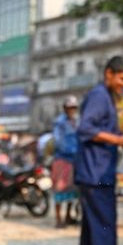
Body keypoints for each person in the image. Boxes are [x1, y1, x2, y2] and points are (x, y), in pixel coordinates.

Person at [73, 56, 123, 245]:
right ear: (108, 73)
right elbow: (86, 129)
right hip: (96, 172)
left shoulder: (106, 97)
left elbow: (101, 130)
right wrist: (120, 140)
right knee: (104, 226)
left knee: (91, 225)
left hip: (92, 171)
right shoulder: (100, 96)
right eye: (121, 78)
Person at [51, 96, 80, 228]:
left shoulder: (76, 121)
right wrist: (72, 150)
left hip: (74, 160)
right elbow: (58, 142)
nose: (72, 110)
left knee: (72, 190)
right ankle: (58, 219)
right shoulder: (60, 122)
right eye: (70, 108)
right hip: (62, 160)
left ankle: (68, 216)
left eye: (74, 107)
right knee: (60, 189)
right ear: (65, 108)